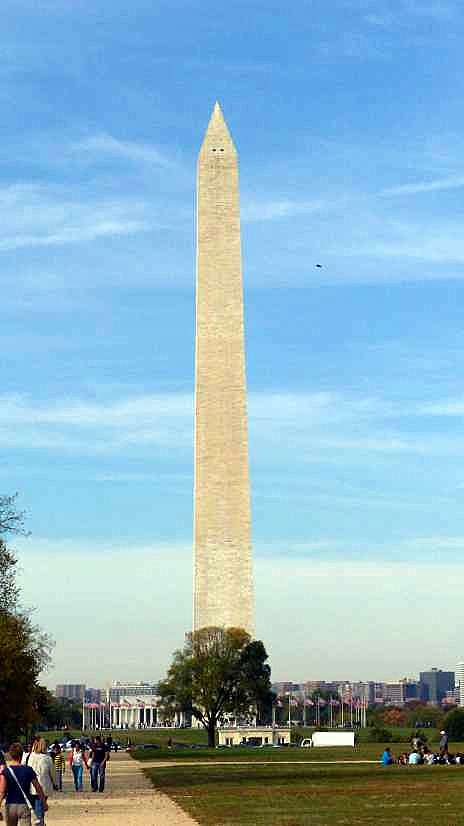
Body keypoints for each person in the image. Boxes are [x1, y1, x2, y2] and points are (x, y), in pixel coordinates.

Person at [0, 742, 47, 826]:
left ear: (10, 755)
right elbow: (38, 787)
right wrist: (43, 802)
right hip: (24, 805)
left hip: (10, 805)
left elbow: (2, 791)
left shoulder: (6, 771)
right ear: (21, 755)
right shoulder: (28, 770)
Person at [25, 739, 54, 826]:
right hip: (43, 786)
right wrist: (55, 783)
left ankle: (38, 821)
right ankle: (40, 822)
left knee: (35, 806)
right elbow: (52, 773)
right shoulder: (48, 758)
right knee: (40, 806)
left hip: (31, 786)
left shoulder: (29, 757)